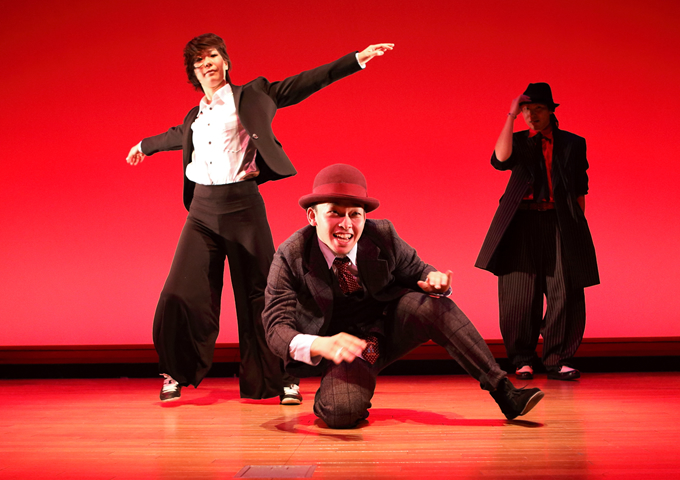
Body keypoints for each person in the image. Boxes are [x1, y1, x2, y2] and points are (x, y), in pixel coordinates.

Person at [125, 33, 394, 403]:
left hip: (242, 206)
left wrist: (356, 59)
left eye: (213, 56)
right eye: (199, 62)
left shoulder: (253, 95)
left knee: (264, 293)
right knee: (181, 291)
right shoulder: (195, 117)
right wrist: (144, 145)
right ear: (194, 73)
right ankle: (176, 372)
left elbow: (304, 83)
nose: (207, 64)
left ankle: (283, 376)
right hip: (202, 211)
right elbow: (176, 136)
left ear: (225, 62)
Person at [262, 164, 544, 428]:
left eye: (355, 214)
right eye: (334, 212)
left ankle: (504, 392)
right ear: (312, 217)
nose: (346, 224)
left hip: (388, 329)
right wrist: (321, 344)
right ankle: (350, 385)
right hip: (347, 350)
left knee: (431, 305)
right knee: (340, 412)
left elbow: (419, 270)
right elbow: (276, 327)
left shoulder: (382, 235)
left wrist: (434, 280)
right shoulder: (291, 254)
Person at [475, 83, 599, 381]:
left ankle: (558, 359)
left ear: (551, 111)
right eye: (527, 110)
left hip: (560, 221)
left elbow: (580, 187)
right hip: (521, 222)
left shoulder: (572, 143)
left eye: (538, 109)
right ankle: (522, 359)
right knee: (519, 293)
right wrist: (510, 115)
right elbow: (500, 161)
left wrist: (576, 226)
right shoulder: (518, 140)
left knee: (565, 290)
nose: (531, 115)